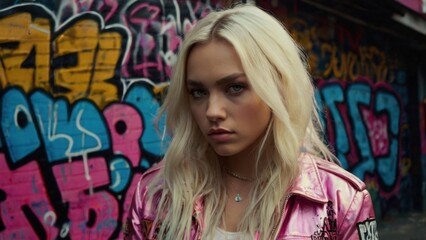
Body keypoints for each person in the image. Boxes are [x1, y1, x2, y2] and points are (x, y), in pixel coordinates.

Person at [124, 4, 378, 240]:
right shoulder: (155, 196)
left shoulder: (340, 201)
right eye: (198, 92)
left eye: (235, 87)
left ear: (278, 88)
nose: (212, 111)